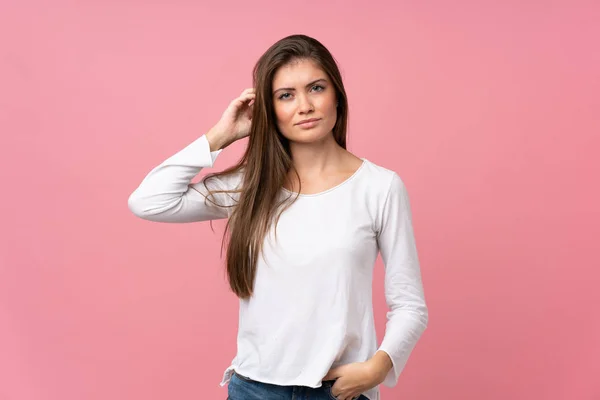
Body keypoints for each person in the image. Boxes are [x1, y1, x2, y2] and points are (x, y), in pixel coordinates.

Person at [128, 34, 428, 400]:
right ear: (269, 109)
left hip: (339, 391)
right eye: (286, 95)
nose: (304, 105)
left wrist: (377, 368)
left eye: (316, 88)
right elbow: (148, 201)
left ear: (336, 96)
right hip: (253, 389)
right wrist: (222, 135)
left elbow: (409, 304)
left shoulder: (380, 188)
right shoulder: (250, 187)